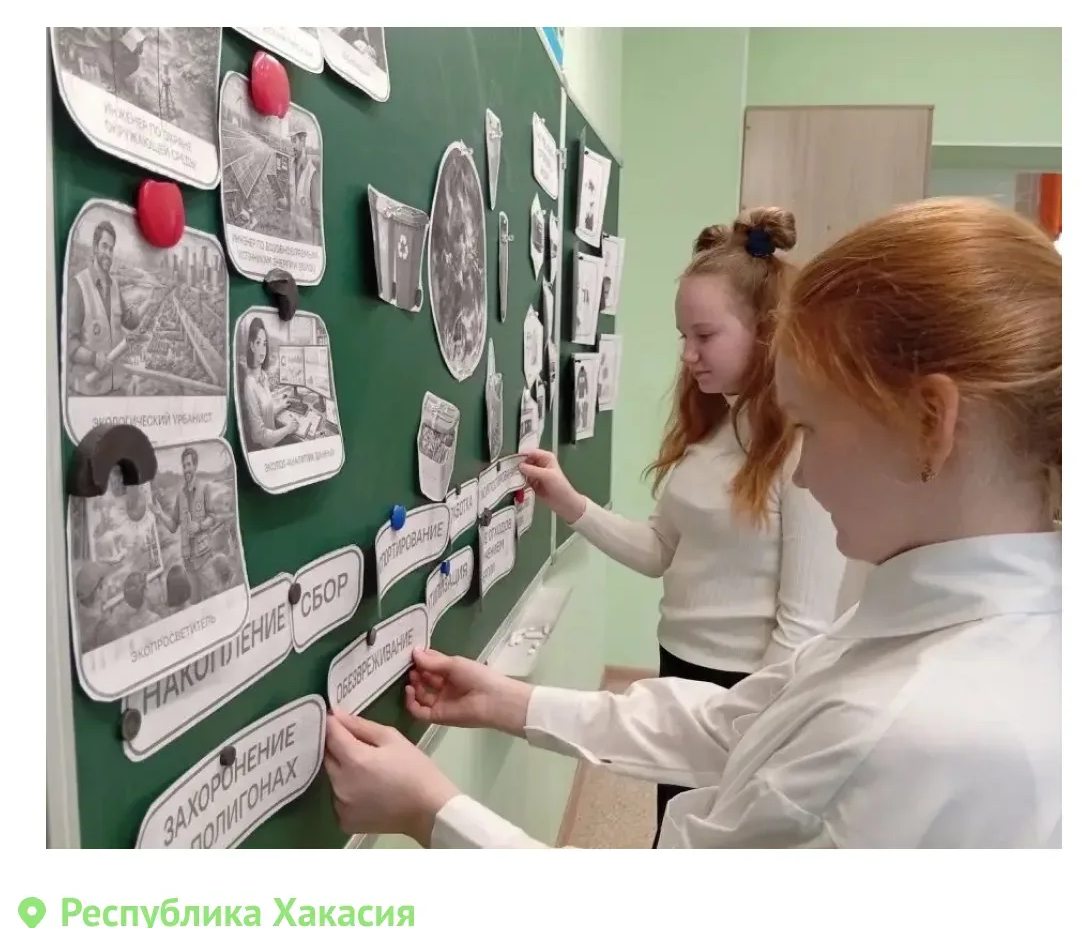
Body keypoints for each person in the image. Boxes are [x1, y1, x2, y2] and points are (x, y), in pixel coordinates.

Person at [323, 197, 1061, 849]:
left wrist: (432, 812)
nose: (805, 473)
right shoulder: (922, 628)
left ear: (929, 423)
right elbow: (743, 724)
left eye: (816, 429)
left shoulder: (914, 734)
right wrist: (511, 700)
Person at [521, 208, 846, 844]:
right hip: (679, 667)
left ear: (767, 331)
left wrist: (755, 728)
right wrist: (570, 503)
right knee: (672, 833)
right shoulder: (715, 429)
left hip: (744, 689)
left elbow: (804, 627)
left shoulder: (801, 449)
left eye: (705, 335)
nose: (689, 355)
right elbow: (659, 551)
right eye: (683, 336)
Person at [67, 218, 140, 396]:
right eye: (104, 246)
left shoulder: (114, 286)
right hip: (88, 392)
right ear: (95, 247)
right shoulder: (77, 286)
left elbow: (129, 321)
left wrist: (148, 303)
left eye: (111, 249)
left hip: (114, 388)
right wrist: (93, 358)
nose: (108, 253)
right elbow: (69, 343)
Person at [151, 447, 218, 605]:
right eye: (184, 465)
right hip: (188, 563)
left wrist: (200, 526)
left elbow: (213, 517)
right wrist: (160, 514)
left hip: (205, 558)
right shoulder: (180, 495)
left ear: (195, 465)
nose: (186, 469)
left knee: (212, 599)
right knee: (195, 603)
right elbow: (173, 526)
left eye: (189, 465)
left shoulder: (205, 488)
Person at [241, 317, 298, 449]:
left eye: (265, 343)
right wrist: (287, 429)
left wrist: (280, 406)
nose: (263, 349)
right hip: (266, 449)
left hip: (275, 440)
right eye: (258, 342)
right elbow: (260, 436)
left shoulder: (264, 376)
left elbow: (265, 415)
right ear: (252, 346)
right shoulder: (249, 385)